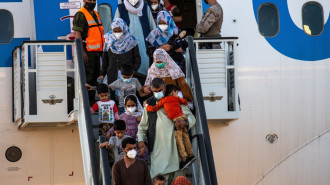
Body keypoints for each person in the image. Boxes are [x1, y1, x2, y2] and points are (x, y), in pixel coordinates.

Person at [137, 78, 196, 184]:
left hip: (177, 155)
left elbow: (191, 118)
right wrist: (141, 141)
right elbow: (142, 127)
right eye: (155, 91)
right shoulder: (149, 105)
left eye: (159, 90)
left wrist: (185, 123)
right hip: (159, 154)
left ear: (164, 89)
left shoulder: (175, 100)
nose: (157, 93)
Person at [145, 84, 195, 169]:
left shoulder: (164, 101)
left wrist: (146, 106)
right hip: (182, 118)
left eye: (160, 90)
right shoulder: (176, 99)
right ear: (173, 92)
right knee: (185, 137)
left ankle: (184, 159)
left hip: (177, 121)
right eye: (177, 92)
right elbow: (185, 102)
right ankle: (191, 155)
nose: (177, 94)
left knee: (179, 140)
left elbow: (154, 108)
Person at [99, 18, 141, 101]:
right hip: (112, 72)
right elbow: (105, 59)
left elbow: (137, 58)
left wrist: (132, 71)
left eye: (119, 31)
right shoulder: (108, 40)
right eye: (115, 31)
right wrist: (102, 74)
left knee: (128, 96)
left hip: (127, 74)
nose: (117, 33)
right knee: (113, 95)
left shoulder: (132, 40)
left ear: (124, 28)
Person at [73, 0, 105, 105]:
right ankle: (87, 103)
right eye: (89, 0)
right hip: (87, 52)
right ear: (84, 1)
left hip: (97, 52)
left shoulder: (95, 14)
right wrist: (82, 52)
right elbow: (77, 34)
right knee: (88, 78)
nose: (92, 2)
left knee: (95, 79)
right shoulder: (80, 14)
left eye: (93, 0)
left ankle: (92, 102)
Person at [115, 0, 156, 75]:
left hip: (143, 45)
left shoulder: (145, 7)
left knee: (143, 68)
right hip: (127, 47)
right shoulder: (121, 8)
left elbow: (153, 28)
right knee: (128, 70)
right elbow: (115, 28)